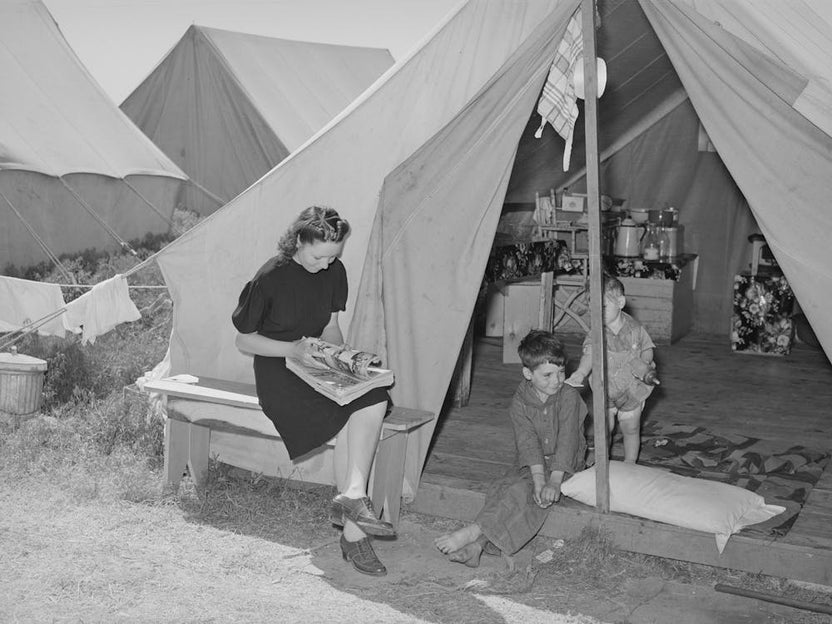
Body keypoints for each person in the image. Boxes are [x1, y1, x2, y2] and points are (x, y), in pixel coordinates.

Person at [232, 205, 392, 577]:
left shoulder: (334, 271)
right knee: (349, 413)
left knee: (373, 396)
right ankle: (354, 533)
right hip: (278, 369)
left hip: (315, 364)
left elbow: (331, 327)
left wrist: (338, 356)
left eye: (333, 256)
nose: (325, 265)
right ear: (299, 242)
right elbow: (245, 339)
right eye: (319, 256)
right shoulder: (270, 277)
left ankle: (353, 496)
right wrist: (291, 349)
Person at [434, 330, 587, 567]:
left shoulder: (569, 397)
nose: (556, 380)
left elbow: (568, 440)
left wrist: (554, 481)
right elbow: (527, 442)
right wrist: (538, 479)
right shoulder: (520, 401)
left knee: (524, 495)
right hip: (532, 461)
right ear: (528, 373)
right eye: (547, 375)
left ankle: (474, 532)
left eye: (561, 372)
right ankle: (477, 547)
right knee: (504, 488)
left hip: (564, 464)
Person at [565, 275, 658, 464]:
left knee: (631, 428)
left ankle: (630, 464)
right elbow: (589, 355)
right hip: (605, 390)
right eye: (594, 308)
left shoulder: (635, 329)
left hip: (632, 390)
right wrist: (581, 372)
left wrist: (645, 364)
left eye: (604, 307)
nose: (598, 313)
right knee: (603, 429)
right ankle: (602, 462)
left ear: (620, 302)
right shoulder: (596, 333)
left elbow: (647, 349)